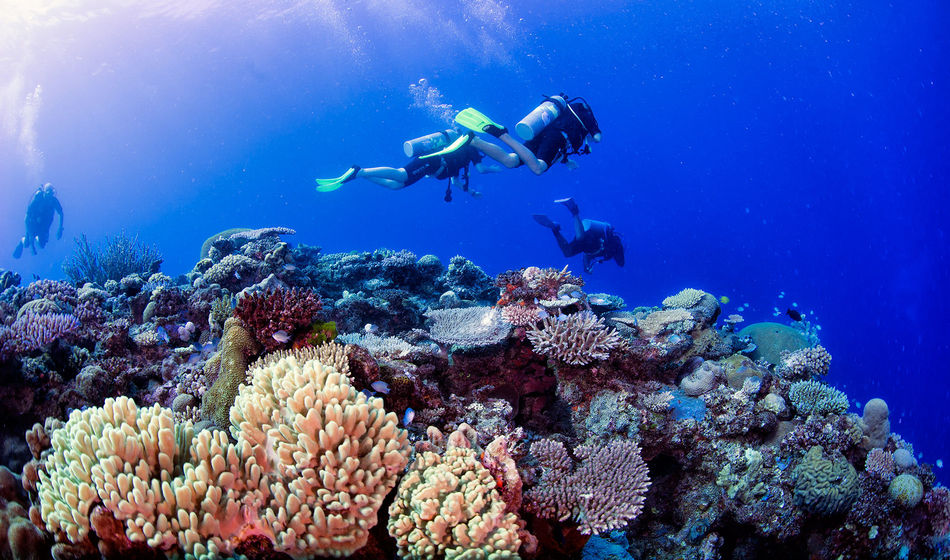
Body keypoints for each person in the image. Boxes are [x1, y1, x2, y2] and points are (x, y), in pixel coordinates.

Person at [315, 132, 517, 202]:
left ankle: (360, 175)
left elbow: (454, 181)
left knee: (397, 186)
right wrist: (495, 168)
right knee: (401, 175)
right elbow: (481, 169)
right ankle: (361, 170)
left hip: (431, 166)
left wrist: (471, 192)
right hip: (431, 160)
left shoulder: (462, 159)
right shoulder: (472, 148)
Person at [454, 94, 602, 175]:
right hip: (557, 137)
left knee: (510, 161)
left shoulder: (565, 112)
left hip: (542, 133)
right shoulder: (585, 114)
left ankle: (475, 141)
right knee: (538, 168)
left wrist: (566, 161)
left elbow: (553, 152)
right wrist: (594, 135)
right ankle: (502, 134)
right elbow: (597, 137)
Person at [532, 197, 624, 273]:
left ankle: (555, 228)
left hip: (588, 240)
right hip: (595, 234)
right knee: (580, 237)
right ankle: (574, 210)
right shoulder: (614, 245)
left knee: (567, 252)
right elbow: (621, 263)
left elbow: (587, 256)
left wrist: (587, 268)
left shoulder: (600, 251)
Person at [13, 183, 64, 259]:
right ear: (44, 192)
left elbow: (61, 213)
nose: (49, 196)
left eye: (51, 193)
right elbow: (26, 218)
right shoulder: (37, 199)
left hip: (44, 226)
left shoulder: (54, 201)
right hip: (33, 224)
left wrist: (60, 228)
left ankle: (36, 237)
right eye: (48, 193)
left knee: (42, 245)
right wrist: (30, 235)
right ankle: (22, 241)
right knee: (27, 244)